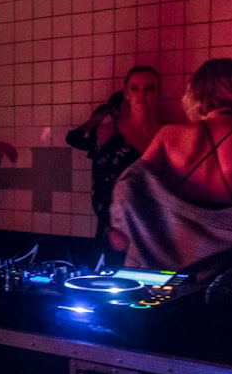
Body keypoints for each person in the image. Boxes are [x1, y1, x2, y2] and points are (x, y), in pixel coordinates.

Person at [109, 58, 232, 281]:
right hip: (218, 280)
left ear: (196, 91)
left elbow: (127, 188)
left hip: (160, 273)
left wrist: (130, 230)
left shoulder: (169, 136)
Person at [67, 66, 162, 260]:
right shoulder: (110, 132)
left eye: (149, 88)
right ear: (126, 94)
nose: (141, 95)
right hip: (117, 234)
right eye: (134, 88)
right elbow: (101, 185)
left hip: (156, 232)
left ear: (158, 93)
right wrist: (111, 229)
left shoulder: (166, 135)